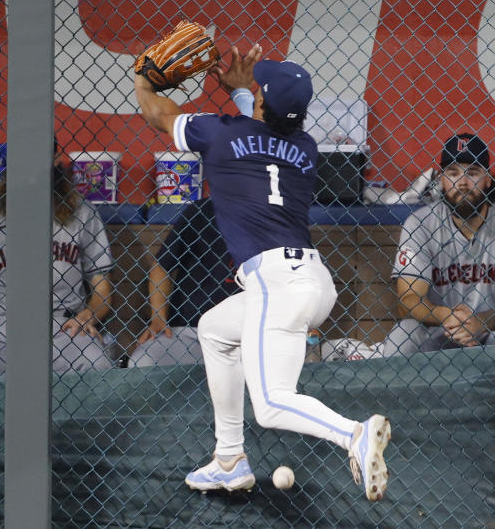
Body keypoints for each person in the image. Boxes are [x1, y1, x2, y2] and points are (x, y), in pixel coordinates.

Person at [135, 44, 391, 501]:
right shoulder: (306, 149)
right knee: (213, 328)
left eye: (259, 89)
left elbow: (157, 114)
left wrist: (146, 78)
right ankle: (229, 458)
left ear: (262, 103)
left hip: (275, 282)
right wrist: (243, 94)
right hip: (311, 280)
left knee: (271, 404)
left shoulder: (221, 133)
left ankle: (354, 433)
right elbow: (264, 132)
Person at [382, 133, 495, 441]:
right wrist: (448, 316)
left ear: (489, 180)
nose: (463, 182)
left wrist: (482, 321)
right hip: (439, 332)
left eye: (473, 172)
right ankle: (389, 447)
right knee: (403, 335)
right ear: (441, 181)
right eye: (453, 173)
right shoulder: (420, 224)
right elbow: (408, 299)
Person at [0, 168, 115, 375]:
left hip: (63, 327)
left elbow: (102, 292)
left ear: (56, 161)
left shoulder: (82, 212)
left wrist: (89, 315)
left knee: (95, 361)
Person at [128, 197, 239, 367]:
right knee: (142, 361)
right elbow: (161, 266)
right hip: (190, 331)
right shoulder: (205, 209)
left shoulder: (278, 215)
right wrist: (158, 318)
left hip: (250, 335)